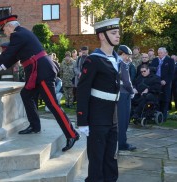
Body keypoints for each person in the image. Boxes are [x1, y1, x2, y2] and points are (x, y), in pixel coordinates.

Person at [0, 15, 79, 152]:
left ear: (9, 26)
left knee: (53, 104)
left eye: (4, 30)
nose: (5, 33)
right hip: (36, 73)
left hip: (42, 72)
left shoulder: (18, 35)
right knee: (26, 94)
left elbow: (8, 55)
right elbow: (11, 58)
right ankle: (35, 125)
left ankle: (72, 134)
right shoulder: (21, 34)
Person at [76, 18, 121, 182]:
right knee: (97, 160)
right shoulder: (93, 59)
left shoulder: (116, 59)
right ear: (102, 36)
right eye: (113, 33)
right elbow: (83, 90)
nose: (118, 36)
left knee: (111, 158)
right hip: (97, 118)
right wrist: (82, 119)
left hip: (112, 117)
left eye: (118, 32)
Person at [117, 45, 136, 151]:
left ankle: (118, 141)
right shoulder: (122, 64)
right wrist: (132, 91)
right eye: (127, 56)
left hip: (116, 94)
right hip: (124, 94)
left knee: (117, 120)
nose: (128, 58)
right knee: (123, 120)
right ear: (123, 54)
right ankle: (122, 144)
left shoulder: (113, 62)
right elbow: (127, 82)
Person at [150, 47, 174, 121]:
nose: (159, 54)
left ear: (165, 53)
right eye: (158, 53)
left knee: (165, 100)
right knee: (156, 99)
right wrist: (156, 80)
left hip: (165, 84)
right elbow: (151, 71)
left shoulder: (170, 61)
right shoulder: (154, 60)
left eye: (161, 53)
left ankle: (163, 117)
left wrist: (165, 81)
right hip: (156, 83)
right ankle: (156, 116)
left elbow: (171, 73)